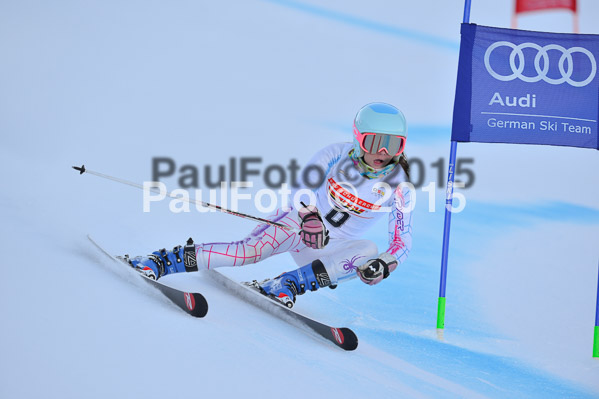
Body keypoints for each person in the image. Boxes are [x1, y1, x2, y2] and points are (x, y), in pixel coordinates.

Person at [125, 102, 413, 308]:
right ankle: (161, 260)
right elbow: (302, 186)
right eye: (375, 142)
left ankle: (285, 285)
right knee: (247, 253)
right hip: (297, 224)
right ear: (357, 137)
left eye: (392, 144)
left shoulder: (401, 186)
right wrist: (309, 215)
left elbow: (402, 241)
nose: (383, 152)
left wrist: (384, 264)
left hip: (329, 249)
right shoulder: (336, 154)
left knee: (368, 251)